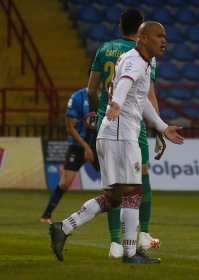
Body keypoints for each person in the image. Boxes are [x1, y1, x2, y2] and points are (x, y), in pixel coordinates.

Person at [49, 21, 184, 264]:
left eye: (165, 36)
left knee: (114, 197)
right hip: (121, 134)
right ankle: (130, 254)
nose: (164, 40)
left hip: (113, 133)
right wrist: (118, 103)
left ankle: (64, 227)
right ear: (142, 38)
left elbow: (140, 100)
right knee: (134, 192)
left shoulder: (139, 60)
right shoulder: (134, 61)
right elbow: (125, 85)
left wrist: (162, 127)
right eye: (159, 36)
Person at [88, 7, 165, 259]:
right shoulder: (144, 54)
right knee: (139, 178)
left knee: (112, 185)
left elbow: (92, 89)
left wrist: (98, 112)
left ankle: (115, 243)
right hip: (131, 124)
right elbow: (148, 94)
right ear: (142, 29)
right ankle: (142, 235)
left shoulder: (104, 48)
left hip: (104, 119)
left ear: (121, 26)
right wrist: (159, 127)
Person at [40, 81, 98, 223]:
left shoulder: (108, 98)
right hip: (78, 147)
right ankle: (46, 215)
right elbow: (70, 128)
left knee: (114, 180)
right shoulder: (78, 98)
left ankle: (125, 213)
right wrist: (86, 147)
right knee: (66, 182)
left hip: (98, 146)